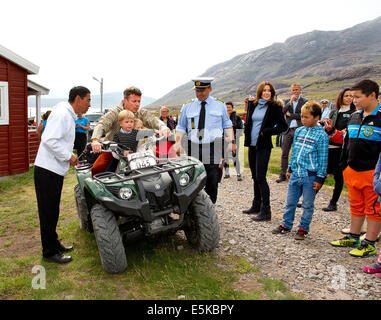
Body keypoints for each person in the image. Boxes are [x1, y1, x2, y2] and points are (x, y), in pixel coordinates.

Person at [34, 86, 91, 264]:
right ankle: (49, 252)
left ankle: (54, 243)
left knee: (53, 210)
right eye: (88, 100)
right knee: (48, 211)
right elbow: (49, 139)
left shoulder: (67, 113)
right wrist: (69, 156)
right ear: (78, 99)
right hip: (47, 170)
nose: (89, 104)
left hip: (53, 170)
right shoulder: (62, 114)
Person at [330, 79, 381, 257]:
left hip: (372, 173)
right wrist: (344, 166)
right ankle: (354, 236)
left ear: (373, 95)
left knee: (374, 209)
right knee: (356, 205)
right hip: (352, 171)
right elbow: (346, 141)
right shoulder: (354, 116)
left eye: (358, 97)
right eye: (352, 97)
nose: (354, 100)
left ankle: (370, 243)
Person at [174, 77, 235, 204]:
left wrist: (232, 142)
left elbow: (227, 124)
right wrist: (178, 142)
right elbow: (180, 126)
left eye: (203, 90)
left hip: (214, 147)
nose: (200, 93)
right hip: (194, 147)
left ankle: (209, 209)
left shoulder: (220, 105)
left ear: (210, 89)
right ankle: (194, 210)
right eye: (197, 90)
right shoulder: (187, 106)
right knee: (192, 179)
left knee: (213, 179)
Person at [272, 101, 329, 239]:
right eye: (302, 117)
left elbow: (323, 158)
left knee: (307, 204)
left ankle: (303, 228)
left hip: (310, 176)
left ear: (316, 117)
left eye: (306, 117)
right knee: (290, 202)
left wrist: (320, 177)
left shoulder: (322, 135)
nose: (303, 119)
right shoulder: (299, 130)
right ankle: (286, 224)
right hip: (296, 174)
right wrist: (290, 168)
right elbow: (295, 151)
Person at [90, 86, 170, 175]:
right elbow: (102, 124)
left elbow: (152, 119)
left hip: (137, 149)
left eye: (139, 101)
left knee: (163, 159)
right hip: (114, 150)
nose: (137, 104)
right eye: (134, 101)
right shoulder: (114, 113)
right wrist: (95, 140)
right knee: (97, 168)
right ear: (125, 101)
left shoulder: (140, 113)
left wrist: (162, 127)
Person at [242, 82, 288, 221]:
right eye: (264, 90)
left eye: (269, 91)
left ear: (272, 93)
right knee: (255, 176)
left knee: (261, 177)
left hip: (264, 145)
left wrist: (267, 132)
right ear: (260, 92)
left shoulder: (274, 107)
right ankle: (256, 205)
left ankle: (266, 211)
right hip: (252, 145)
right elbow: (249, 122)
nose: (267, 93)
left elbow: (283, 126)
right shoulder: (253, 105)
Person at [321, 89, 356, 212]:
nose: (349, 98)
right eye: (346, 95)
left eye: (351, 96)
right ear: (341, 97)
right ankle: (308, 199)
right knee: (322, 173)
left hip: (341, 149)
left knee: (338, 176)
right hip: (328, 146)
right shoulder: (334, 112)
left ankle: (333, 202)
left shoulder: (354, 113)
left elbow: (346, 132)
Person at [277, 83, 308, 183]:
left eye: (296, 90)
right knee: (284, 153)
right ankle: (282, 175)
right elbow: (282, 112)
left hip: (299, 129)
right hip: (287, 130)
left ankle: (296, 175)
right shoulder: (287, 101)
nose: (295, 92)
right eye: (293, 90)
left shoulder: (305, 102)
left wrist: (291, 115)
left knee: (298, 153)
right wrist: (290, 102)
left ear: (300, 90)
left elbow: (303, 115)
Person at [223, 102, 244, 181]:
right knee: (225, 157)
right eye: (226, 107)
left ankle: (238, 173)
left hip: (234, 140)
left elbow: (240, 130)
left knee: (235, 156)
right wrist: (224, 137)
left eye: (229, 107)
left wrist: (234, 138)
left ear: (232, 108)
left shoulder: (237, 117)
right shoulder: (223, 117)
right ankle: (227, 173)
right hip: (224, 140)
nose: (228, 109)